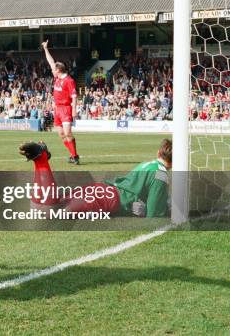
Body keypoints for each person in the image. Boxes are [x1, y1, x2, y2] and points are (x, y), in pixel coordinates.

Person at [19, 139, 172, 218]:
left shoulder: (149, 165)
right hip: (107, 199)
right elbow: (154, 214)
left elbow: (135, 191)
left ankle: (40, 159)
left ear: (158, 153)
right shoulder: (161, 174)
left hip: (104, 191)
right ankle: (41, 159)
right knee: (51, 211)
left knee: (39, 208)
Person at [41, 40, 80, 164]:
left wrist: (74, 110)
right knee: (61, 134)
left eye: (54, 69)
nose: (52, 70)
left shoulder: (69, 80)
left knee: (68, 133)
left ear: (59, 70)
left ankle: (74, 156)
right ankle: (73, 155)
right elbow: (51, 61)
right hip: (57, 109)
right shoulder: (57, 77)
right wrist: (46, 49)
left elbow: (74, 96)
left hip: (66, 108)